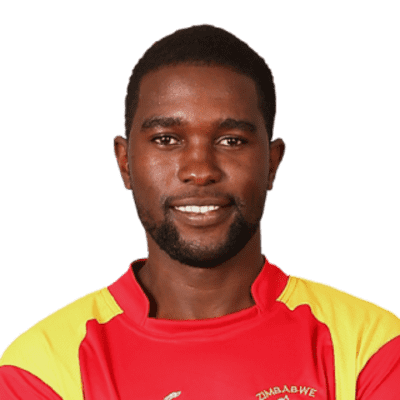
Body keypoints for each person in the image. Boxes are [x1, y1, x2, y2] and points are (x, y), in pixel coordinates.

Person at [1, 23, 399, 400]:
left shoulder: (372, 348)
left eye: (231, 140)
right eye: (166, 139)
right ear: (124, 162)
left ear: (272, 163)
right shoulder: (42, 369)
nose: (200, 170)